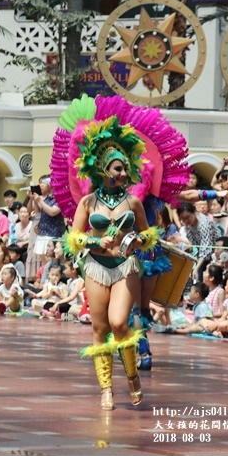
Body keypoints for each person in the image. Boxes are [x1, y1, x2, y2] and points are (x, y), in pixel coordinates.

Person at [59, 113, 161, 410]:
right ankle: (106, 389)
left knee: (119, 323)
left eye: (125, 168)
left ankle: (132, 377)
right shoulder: (88, 202)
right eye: (118, 168)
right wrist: (95, 241)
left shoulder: (134, 202)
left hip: (125, 267)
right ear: (104, 168)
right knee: (100, 328)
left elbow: (148, 234)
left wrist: (138, 241)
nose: (123, 173)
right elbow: (74, 238)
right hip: (95, 267)